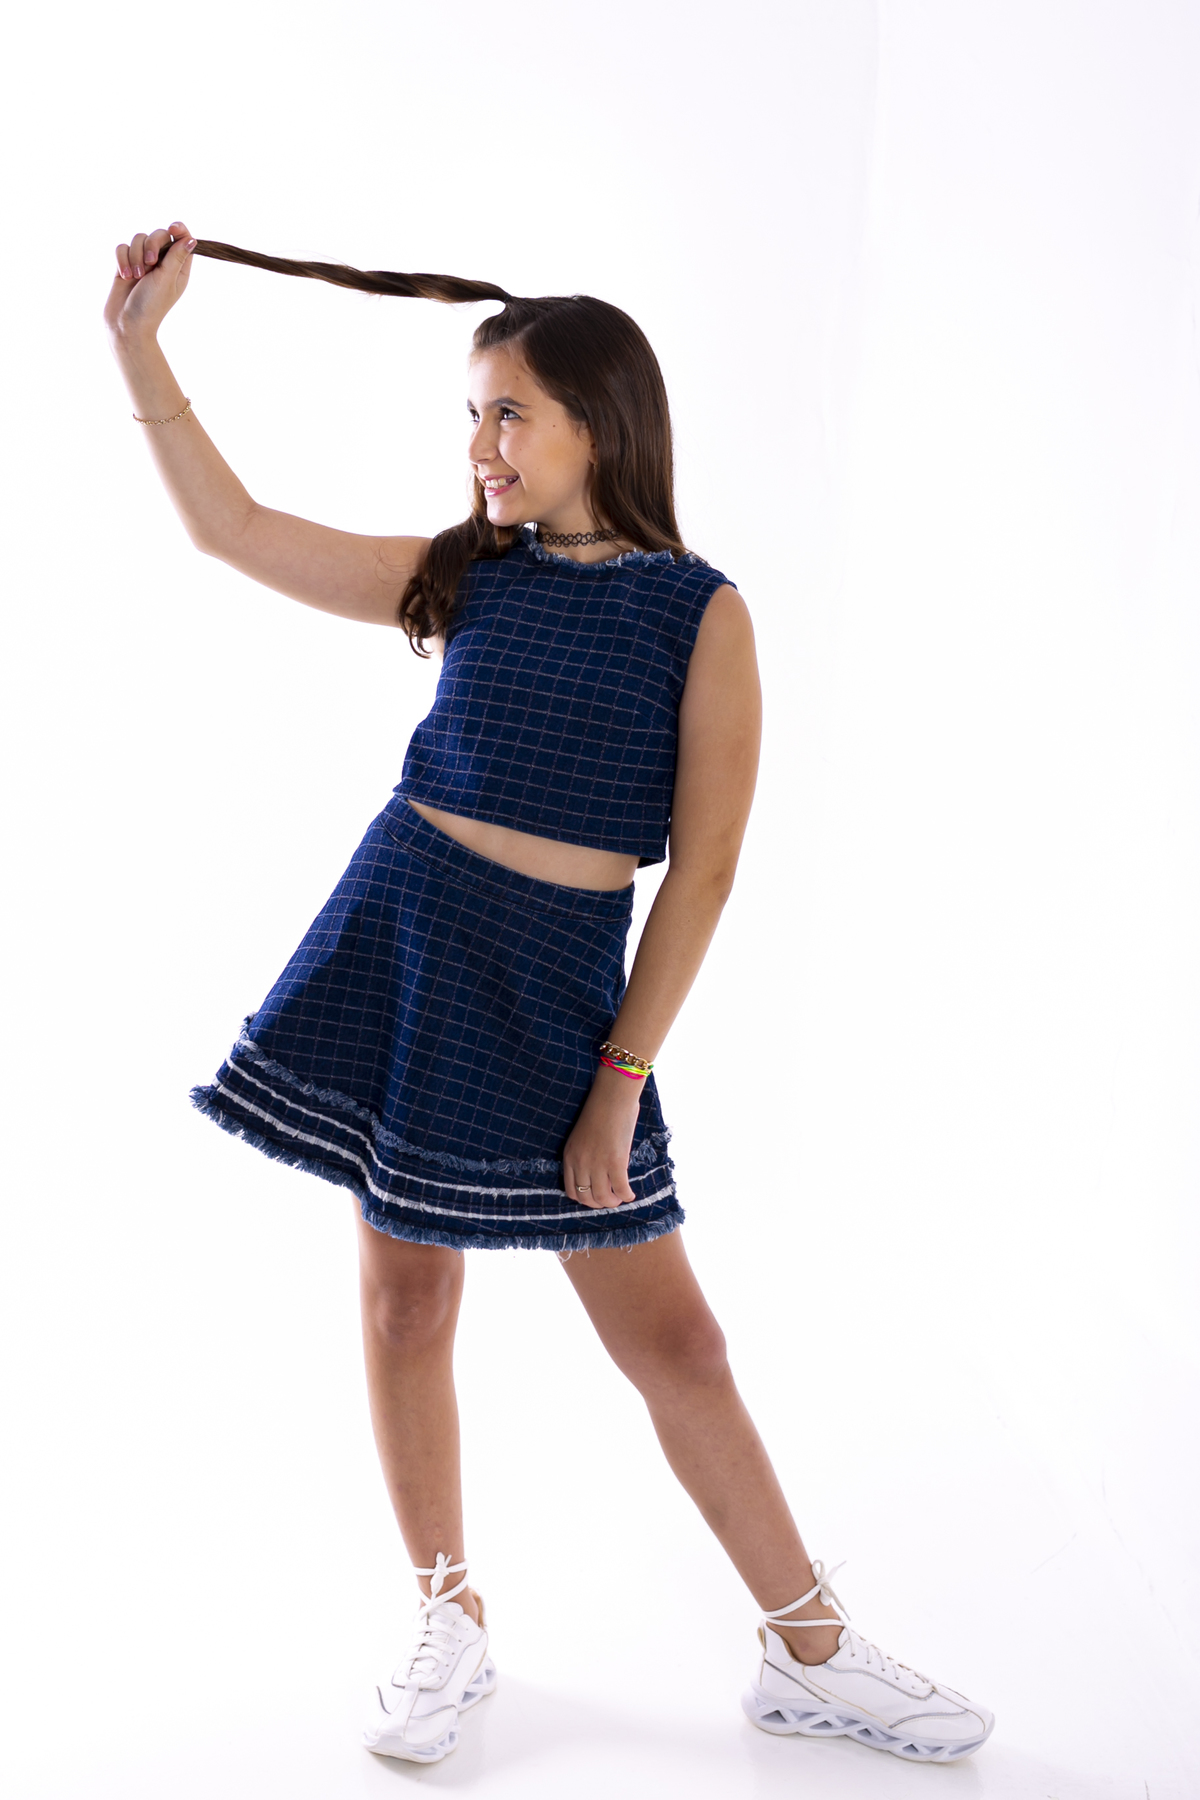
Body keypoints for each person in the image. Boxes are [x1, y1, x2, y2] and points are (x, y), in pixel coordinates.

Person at [105, 221, 995, 1768]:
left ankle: (809, 1647)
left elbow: (705, 872)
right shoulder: (468, 576)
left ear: (603, 419)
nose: (482, 447)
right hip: (407, 941)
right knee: (408, 1301)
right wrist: (140, 348)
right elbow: (233, 530)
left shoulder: (701, 613)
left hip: (560, 996)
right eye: (472, 414)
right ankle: (447, 1616)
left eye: (509, 412)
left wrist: (620, 1080)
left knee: (680, 1344)